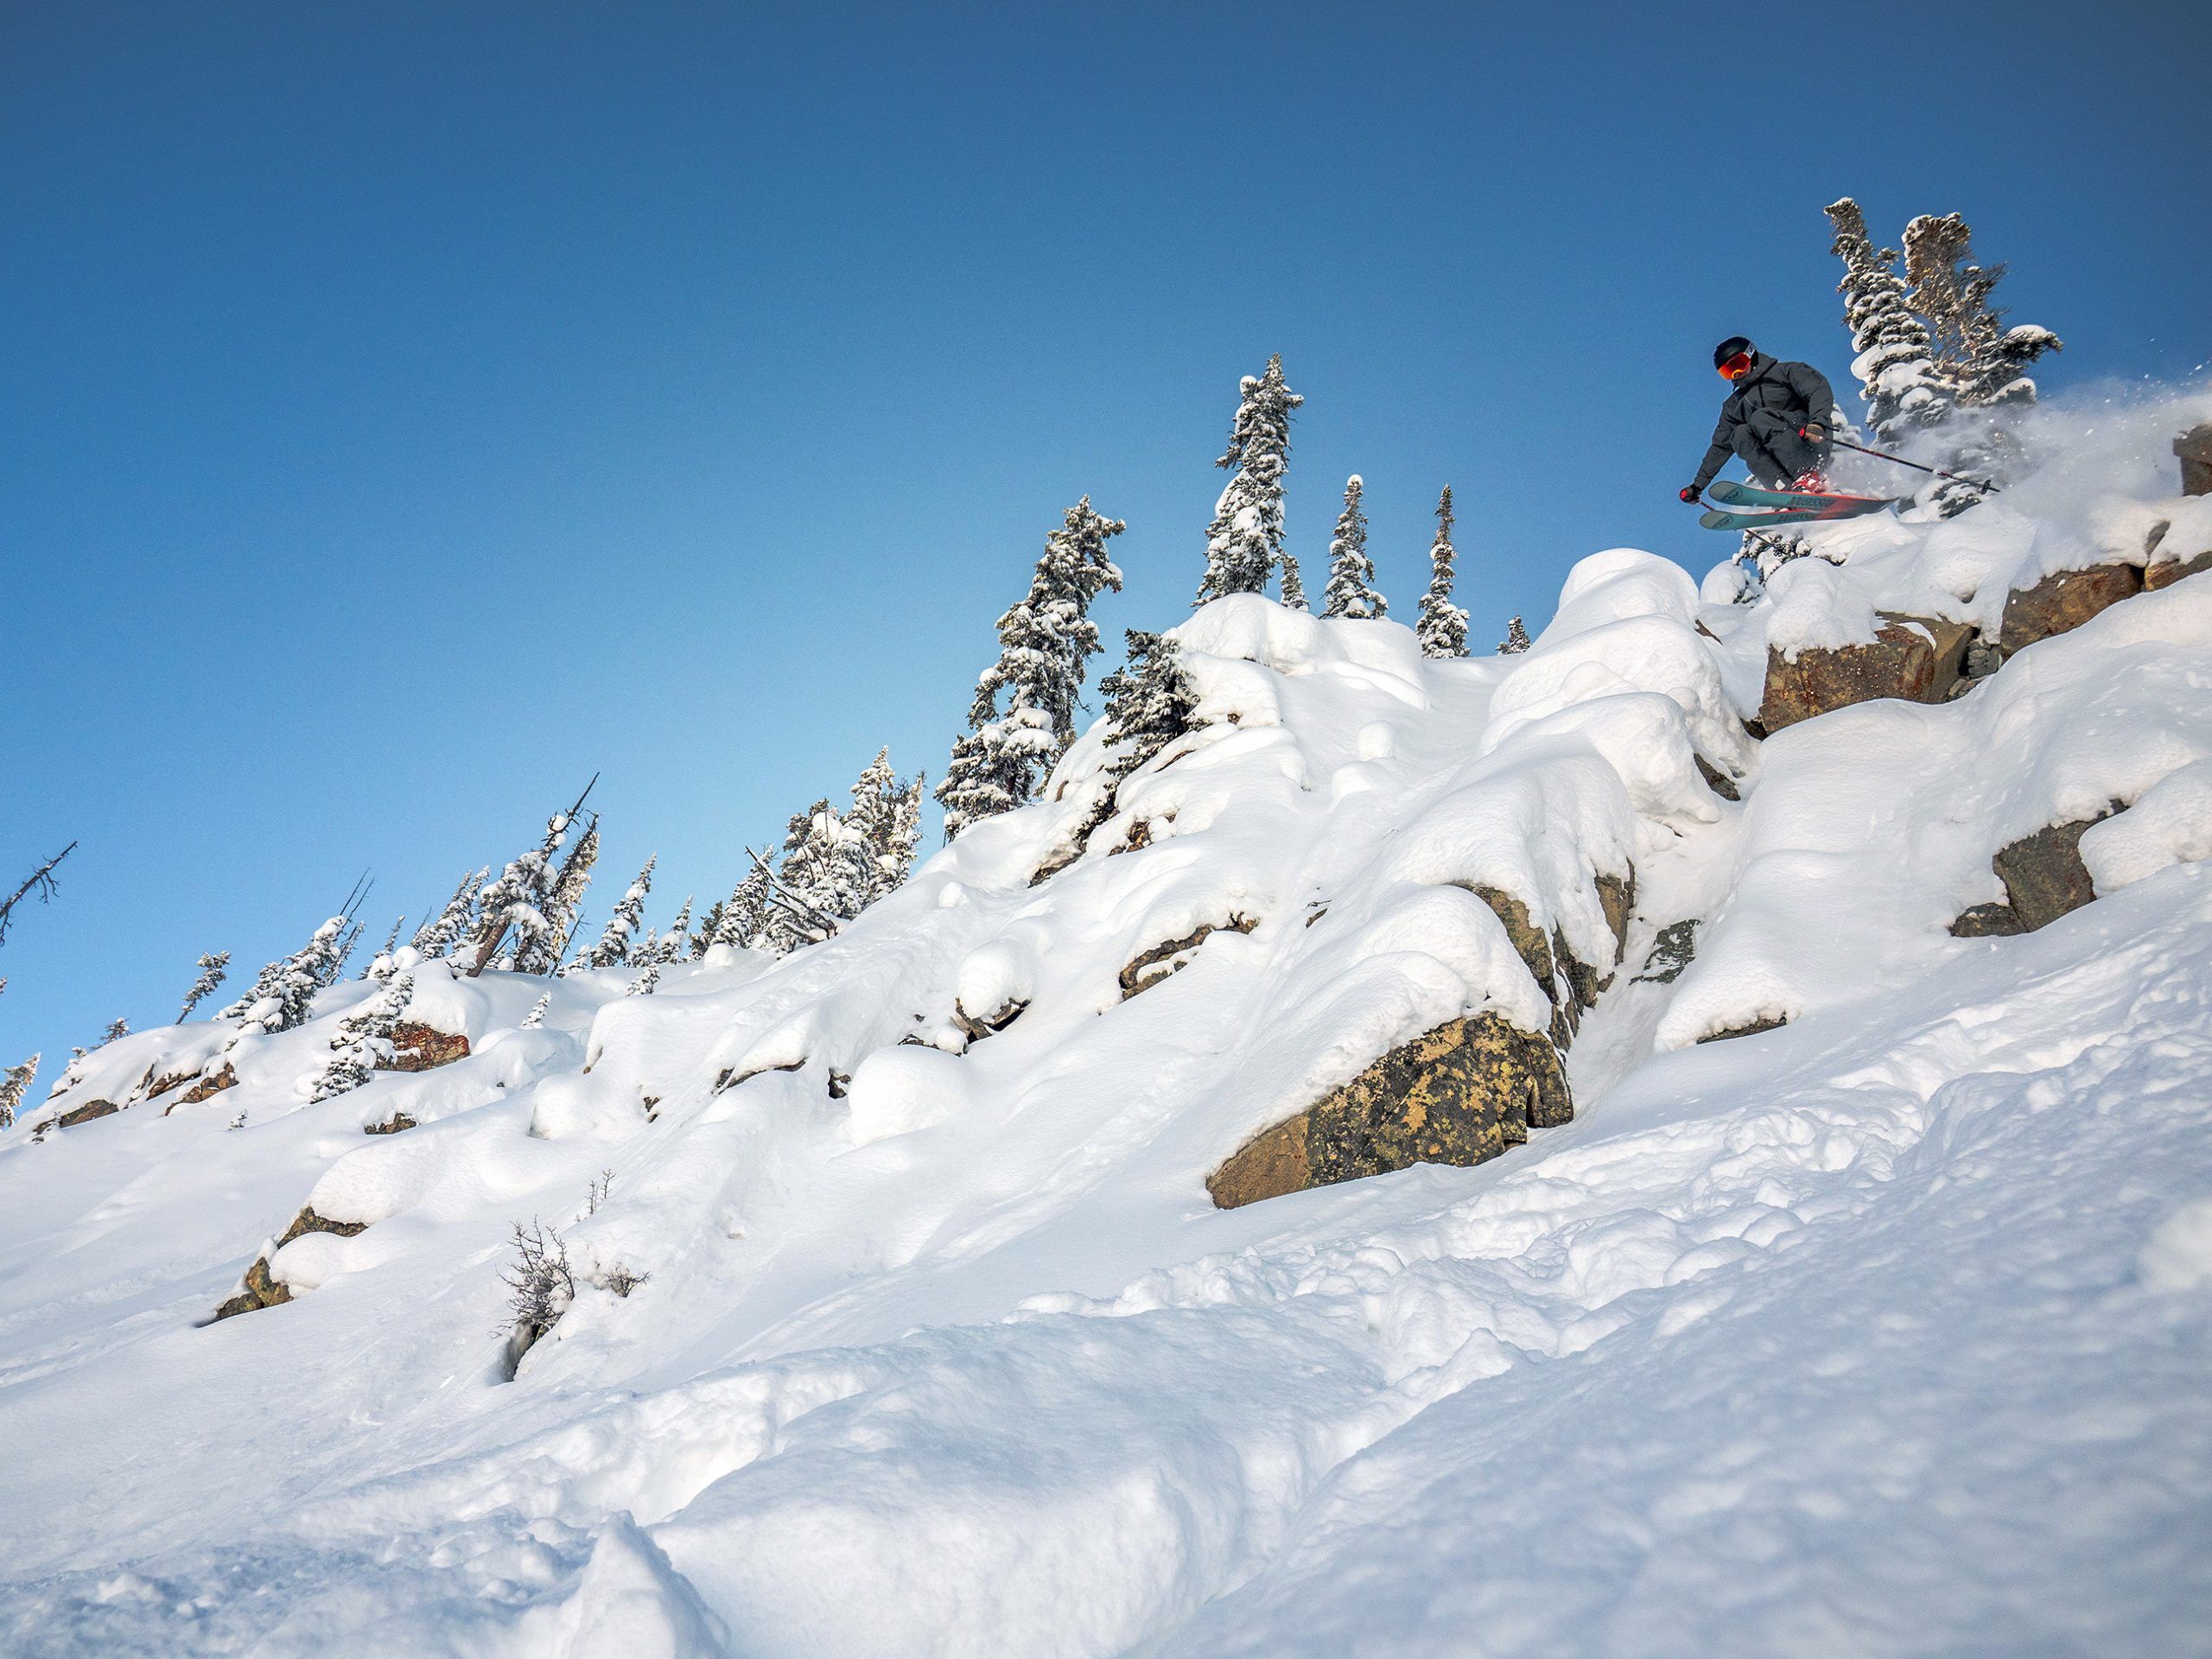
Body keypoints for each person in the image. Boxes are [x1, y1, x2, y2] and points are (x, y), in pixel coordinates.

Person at [1679, 336, 1836, 503]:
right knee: (1739, 434)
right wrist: (1697, 486)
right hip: (1782, 462)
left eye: (1738, 365)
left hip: (1810, 441)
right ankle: (1783, 487)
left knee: (1760, 418)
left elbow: (1817, 389)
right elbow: (1720, 447)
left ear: (1751, 356)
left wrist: (1818, 423)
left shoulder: (1785, 372)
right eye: (1727, 371)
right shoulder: (1734, 406)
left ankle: (1808, 477)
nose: (1736, 374)